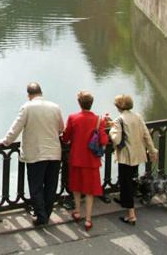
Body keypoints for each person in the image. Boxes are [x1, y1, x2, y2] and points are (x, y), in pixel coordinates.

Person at [1, 82, 65, 226]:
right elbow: (61, 128)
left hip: (36, 153)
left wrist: (6, 141)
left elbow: (16, 128)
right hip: (54, 152)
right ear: (41, 93)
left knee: (36, 186)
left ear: (29, 95)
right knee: (50, 186)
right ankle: (46, 213)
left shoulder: (27, 107)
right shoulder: (55, 107)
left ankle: (41, 216)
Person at [62, 91, 109, 230]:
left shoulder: (73, 117)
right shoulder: (98, 120)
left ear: (79, 103)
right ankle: (88, 220)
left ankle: (77, 212)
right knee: (89, 191)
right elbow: (104, 140)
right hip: (91, 160)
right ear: (91, 103)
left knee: (76, 187)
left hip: (76, 158)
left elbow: (66, 137)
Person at [109, 94, 158, 226]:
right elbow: (146, 134)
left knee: (126, 183)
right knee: (130, 179)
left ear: (119, 106)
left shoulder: (119, 120)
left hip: (126, 156)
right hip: (138, 154)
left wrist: (112, 130)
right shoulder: (137, 116)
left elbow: (116, 139)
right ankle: (124, 200)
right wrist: (152, 150)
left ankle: (131, 215)